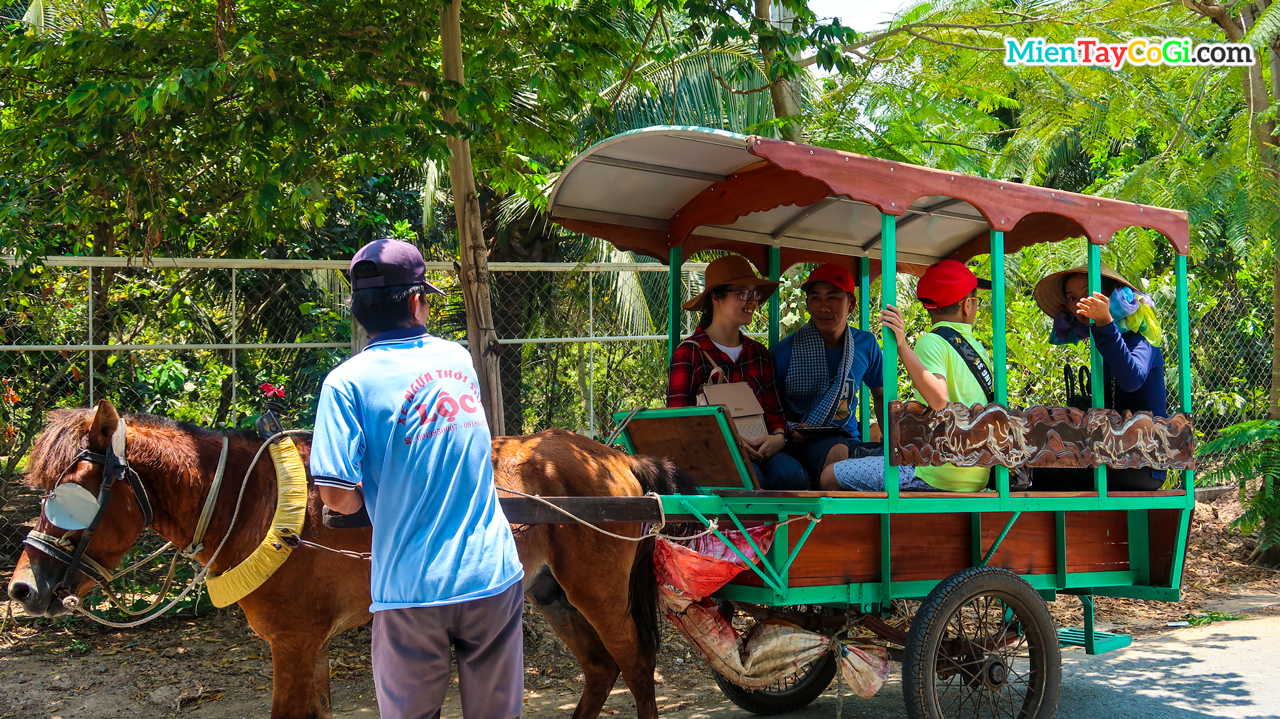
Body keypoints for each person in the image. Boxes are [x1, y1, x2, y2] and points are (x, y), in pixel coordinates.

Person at [310, 239, 525, 718]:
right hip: (492, 575)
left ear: (359, 310)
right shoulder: (458, 359)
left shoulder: (345, 383)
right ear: (414, 301)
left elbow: (336, 495)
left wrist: (381, 493)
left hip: (410, 592)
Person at [821, 260, 994, 493]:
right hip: (975, 475)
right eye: (976, 301)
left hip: (932, 473)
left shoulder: (932, 342)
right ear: (966, 306)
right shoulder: (979, 350)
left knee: (829, 475)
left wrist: (902, 345)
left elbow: (938, 398)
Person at [668, 255, 809, 490]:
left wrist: (777, 438)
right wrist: (728, 441)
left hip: (764, 449)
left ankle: (790, 528)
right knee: (749, 480)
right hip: (716, 454)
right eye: (743, 293)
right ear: (716, 297)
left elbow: (774, 412)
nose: (752, 301)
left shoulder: (759, 353)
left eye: (755, 294)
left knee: (794, 477)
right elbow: (677, 424)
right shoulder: (689, 354)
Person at [1030, 263, 1167, 491]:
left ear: (1110, 296)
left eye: (1087, 294)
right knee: (1035, 463)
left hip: (1142, 464)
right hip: (1109, 457)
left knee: (1039, 472)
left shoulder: (1141, 341)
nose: (1079, 304)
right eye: (1072, 298)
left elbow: (1131, 379)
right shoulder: (1102, 346)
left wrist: (1105, 324)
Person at [771, 263, 886, 485]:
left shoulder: (865, 344)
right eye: (815, 298)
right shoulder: (783, 352)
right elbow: (769, 409)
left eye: (832, 298)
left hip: (850, 440)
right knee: (838, 452)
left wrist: (892, 442)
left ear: (851, 304)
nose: (823, 307)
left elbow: (881, 394)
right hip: (801, 444)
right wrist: (789, 431)